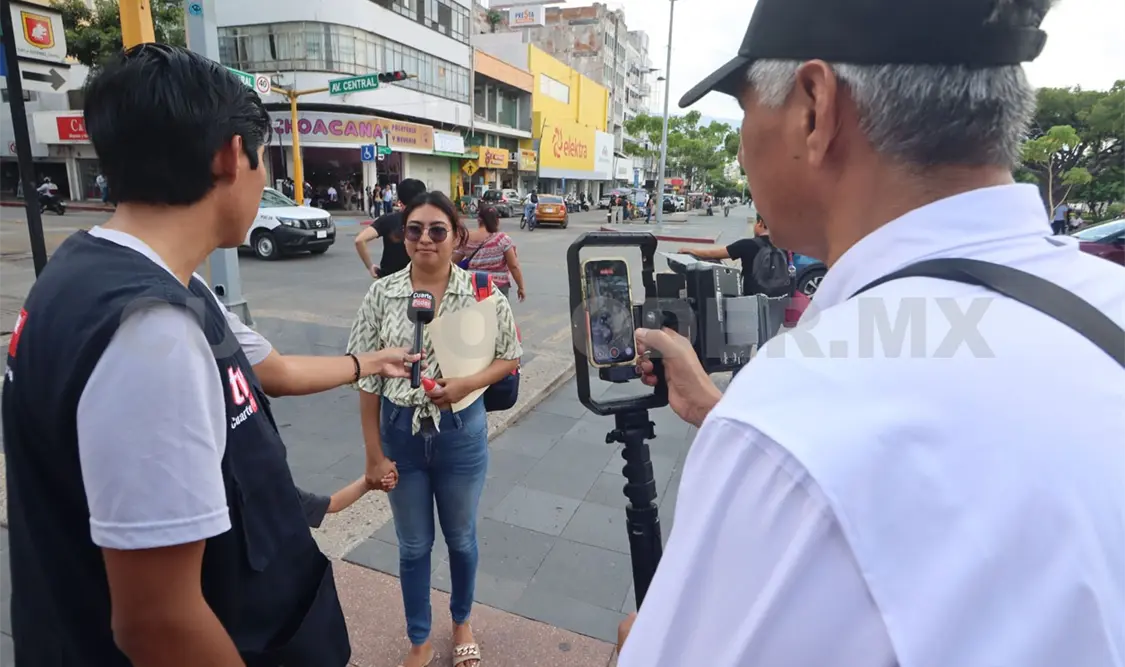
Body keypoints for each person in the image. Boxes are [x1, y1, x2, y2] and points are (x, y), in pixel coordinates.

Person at [616, 0, 1125, 666]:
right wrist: (720, 412)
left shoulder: (797, 411)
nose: (742, 146)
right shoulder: (1105, 301)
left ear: (812, 107)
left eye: (743, 111)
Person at [1, 44, 420, 666]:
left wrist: (369, 362)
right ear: (231, 155)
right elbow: (158, 622)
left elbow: (271, 371)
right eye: (263, 162)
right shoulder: (150, 334)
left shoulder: (124, 272)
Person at [347, 191, 522, 667]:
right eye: (414, 230)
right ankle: (419, 638)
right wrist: (372, 451)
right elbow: (365, 376)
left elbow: (510, 356)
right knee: (413, 545)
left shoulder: (483, 291)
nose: (425, 239)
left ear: (457, 236)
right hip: (400, 434)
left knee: (461, 538)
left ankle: (461, 619)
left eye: (437, 230)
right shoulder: (382, 293)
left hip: (461, 434)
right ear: (403, 237)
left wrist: (468, 382)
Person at [679, 214, 794, 297]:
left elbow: (712, 254)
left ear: (761, 223)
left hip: (753, 298)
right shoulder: (784, 245)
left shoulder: (747, 244)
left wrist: (689, 250)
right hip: (780, 298)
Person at [354, 178, 426, 279]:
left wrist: (370, 266)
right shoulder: (431, 221)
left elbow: (359, 240)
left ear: (400, 198)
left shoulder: (388, 219)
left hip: (390, 279)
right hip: (420, 279)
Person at [454, 205, 527, 301]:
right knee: (498, 314)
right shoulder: (503, 240)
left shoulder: (467, 238)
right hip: (497, 287)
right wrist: (521, 287)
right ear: (497, 221)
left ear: (479, 220)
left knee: (474, 315)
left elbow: (453, 262)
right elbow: (514, 266)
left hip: (473, 286)